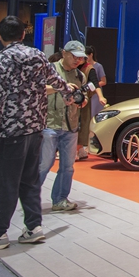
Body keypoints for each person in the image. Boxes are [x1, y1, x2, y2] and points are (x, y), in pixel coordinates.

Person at [0, 16, 76, 252]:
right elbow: (56, 81)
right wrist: (68, 95)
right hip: (35, 130)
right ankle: (33, 228)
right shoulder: (37, 55)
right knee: (30, 182)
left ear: (0, 36)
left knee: (6, 184)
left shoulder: (1, 61)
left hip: (10, 133)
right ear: (23, 35)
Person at [38, 42, 88, 213]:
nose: (78, 60)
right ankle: (29, 198)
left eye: (80, 57)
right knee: (44, 164)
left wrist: (80, 100)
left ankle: (60, 200)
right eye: (74, 56)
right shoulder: (49, 69)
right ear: (64, 53)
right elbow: (37, 90)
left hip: (71, 125)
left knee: (67, 166)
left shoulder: (80, 76)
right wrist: (60, 88)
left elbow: (84, 98)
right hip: (49, 123)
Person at [77, 45, 108, 161]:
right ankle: (80, 149)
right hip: (80, 99)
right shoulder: (75, 68)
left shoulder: (93, 68)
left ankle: (81, 147)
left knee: (86, 122)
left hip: (89, 98)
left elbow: (98, 82)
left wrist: (99, 95)